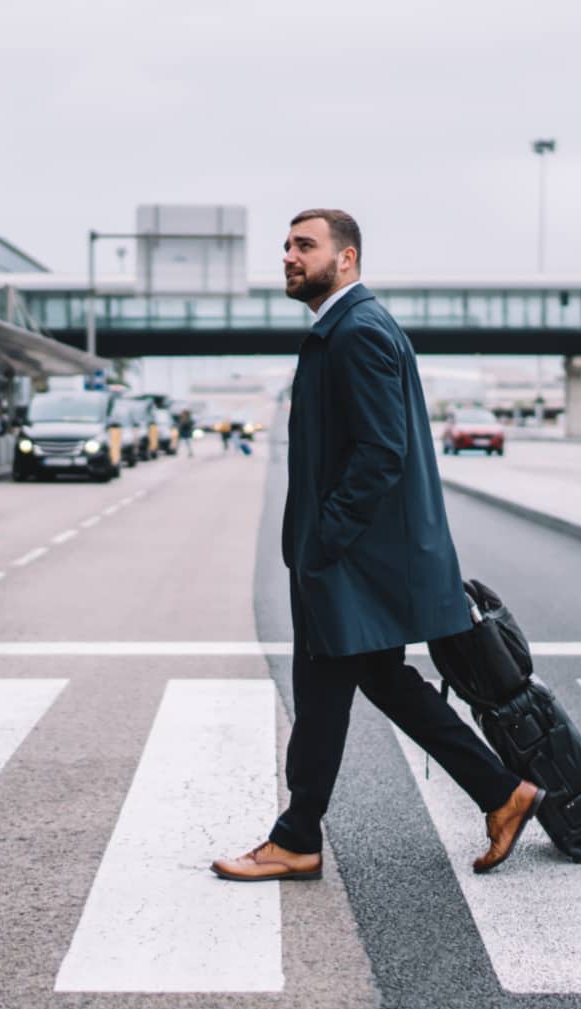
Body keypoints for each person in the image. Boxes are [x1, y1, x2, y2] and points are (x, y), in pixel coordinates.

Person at [212, 209, 541, 883]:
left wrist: (324, 539)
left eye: (306, 245)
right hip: (354, 558)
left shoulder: (355, 331)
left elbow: (380, 451)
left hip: (350, 561)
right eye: (286, 246)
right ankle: (501, 792)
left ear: (348, 259)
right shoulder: (350, 327)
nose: (289, 256)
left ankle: (298, 837)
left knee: (330, 685)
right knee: (374, 682)